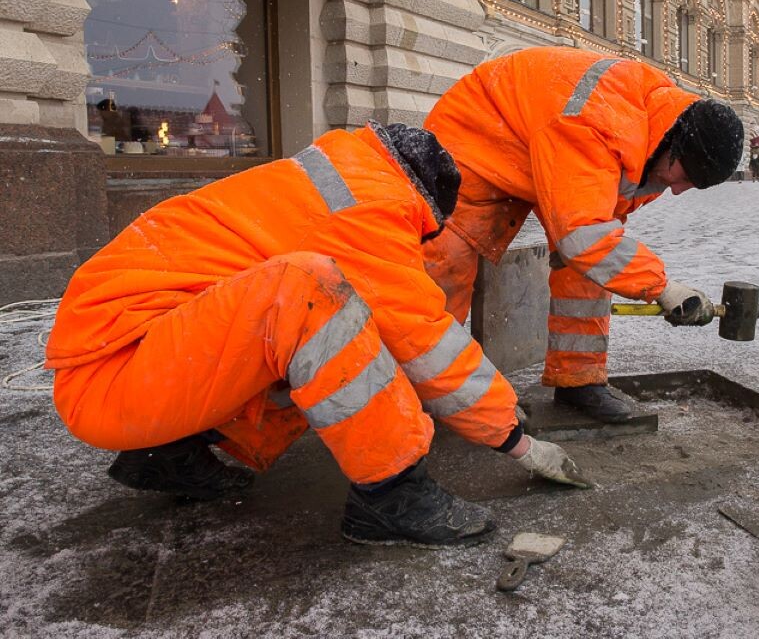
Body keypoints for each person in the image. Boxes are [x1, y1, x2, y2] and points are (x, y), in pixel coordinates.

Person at [46, 123, 590, 547]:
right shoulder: (371, 210)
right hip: (119, 379)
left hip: (124, 366)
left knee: (315, 327)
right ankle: (392, 493)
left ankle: (170, 452)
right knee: (315, 300)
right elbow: (424, 337)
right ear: (425, 208)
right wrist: (514, 438)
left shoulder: (335, 178)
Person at [423, 47, 743, 424]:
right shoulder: (600, 125)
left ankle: (578, 380)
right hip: (477, 140)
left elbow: (595, 239)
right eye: (685, 178)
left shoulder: (655, 137)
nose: (676, 191)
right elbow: (583, 235)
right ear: (675, 148)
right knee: (444, 270)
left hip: (542, 142)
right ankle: (420, 401)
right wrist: (662, 288)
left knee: (589, 269)